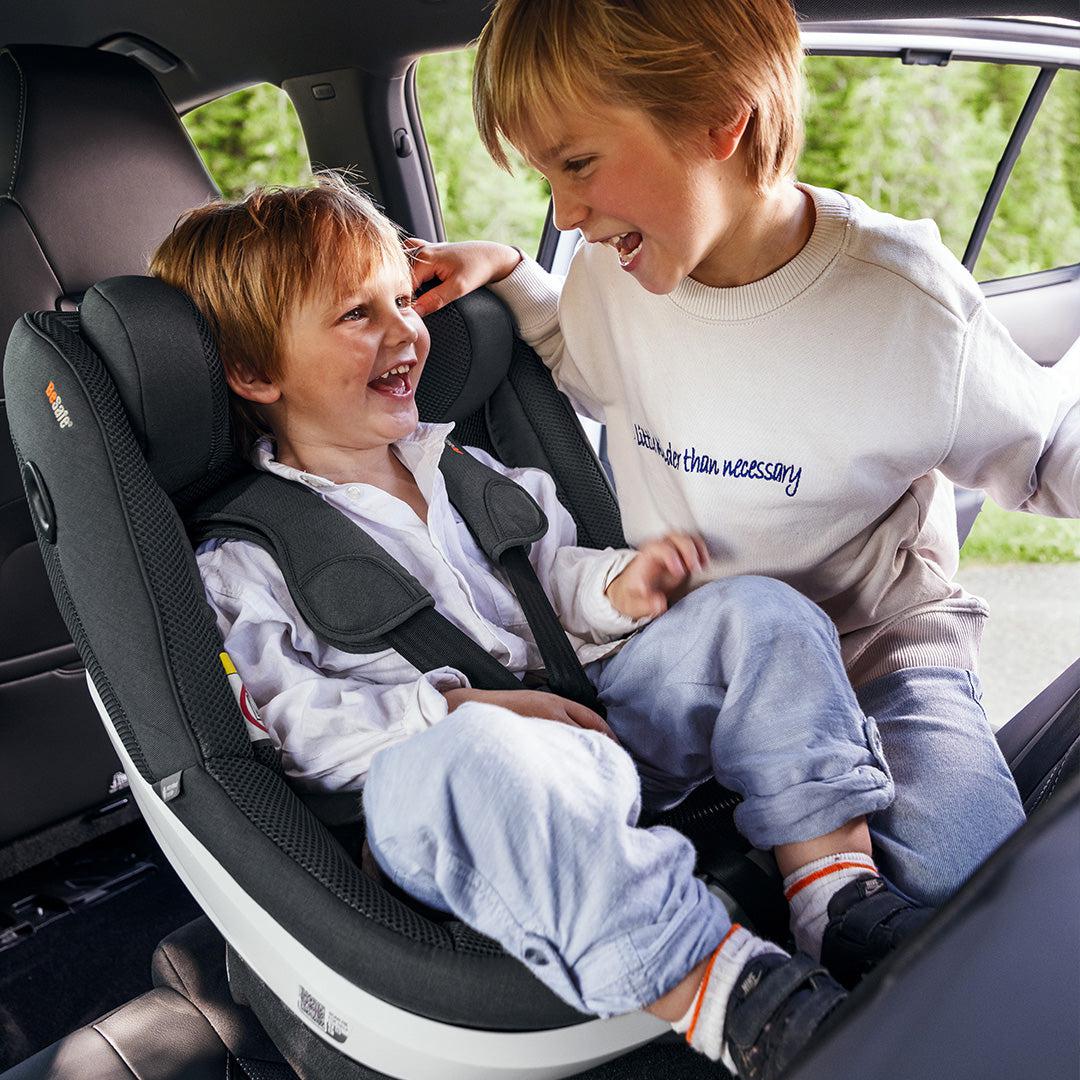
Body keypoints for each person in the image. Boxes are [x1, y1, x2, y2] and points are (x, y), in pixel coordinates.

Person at [150, 175, 919, 1077]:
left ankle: (835, 890)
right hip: (451, 803)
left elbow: (546, 573)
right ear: (254, 373)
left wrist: (618, 589)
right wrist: (464, 707)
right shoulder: (246, 559)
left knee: (759, 613)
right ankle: (733, 994)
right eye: (359, 315)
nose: (406, 333)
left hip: (594, 723)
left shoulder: (458, 463)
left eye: (406, 299)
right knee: (478, 758)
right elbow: (292, 727)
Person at [410, 0, 1080, 930]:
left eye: (578, 162)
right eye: (544, 175)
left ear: (720, 115)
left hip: (877, 653)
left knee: (975, 920)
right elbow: (583, 358)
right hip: (701, 650)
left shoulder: (901, 302)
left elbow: (1048, 449)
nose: (566, 211)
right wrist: (519, 279)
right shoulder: (612, 281)